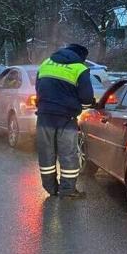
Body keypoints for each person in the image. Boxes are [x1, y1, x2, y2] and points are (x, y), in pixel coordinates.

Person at [35, 43, 94, 198]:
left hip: (44, 116)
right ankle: (67, 190)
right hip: (66, 118)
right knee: (68, 153)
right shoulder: (80, 69)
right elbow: (87, 98)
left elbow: (38, 88)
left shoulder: (46, 63)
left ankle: (50, 188)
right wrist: (84, 104)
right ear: (81, 56)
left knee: (46, 152)